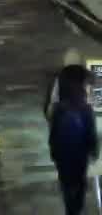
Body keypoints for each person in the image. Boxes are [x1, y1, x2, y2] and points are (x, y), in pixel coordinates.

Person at [49, 62, 98, 214]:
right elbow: (91, 134)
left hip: (63, 157)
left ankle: (71, 210)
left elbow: (53, 134)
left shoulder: (58, 109)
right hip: (79, 156)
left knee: (67, 186)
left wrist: (54, 152)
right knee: (79, 185)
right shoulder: (85, 109)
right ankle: (76, 209)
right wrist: (94, 151)